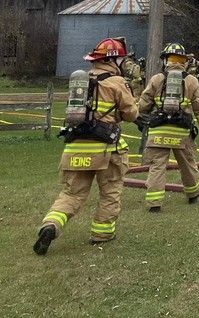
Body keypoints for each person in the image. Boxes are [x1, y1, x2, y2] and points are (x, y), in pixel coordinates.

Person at [34, 38, 139, 255]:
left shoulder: (81, 82)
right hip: (106, 149)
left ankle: (51, 225)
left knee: (71, 194)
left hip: (75, 147)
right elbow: (132, 114)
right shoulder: (117, 82)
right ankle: (102, 233)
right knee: (110, 192)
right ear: (114, 60)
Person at [137, 42, 199, 211]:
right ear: (184, 61)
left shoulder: (157, 79)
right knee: (188, 164)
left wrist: (140, 121)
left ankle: (154, 204)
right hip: (182, 132)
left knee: (157, 167)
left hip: (158, 131)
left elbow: (143, 105)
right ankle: (193, 195)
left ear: (166, 61)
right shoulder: (191, 81)